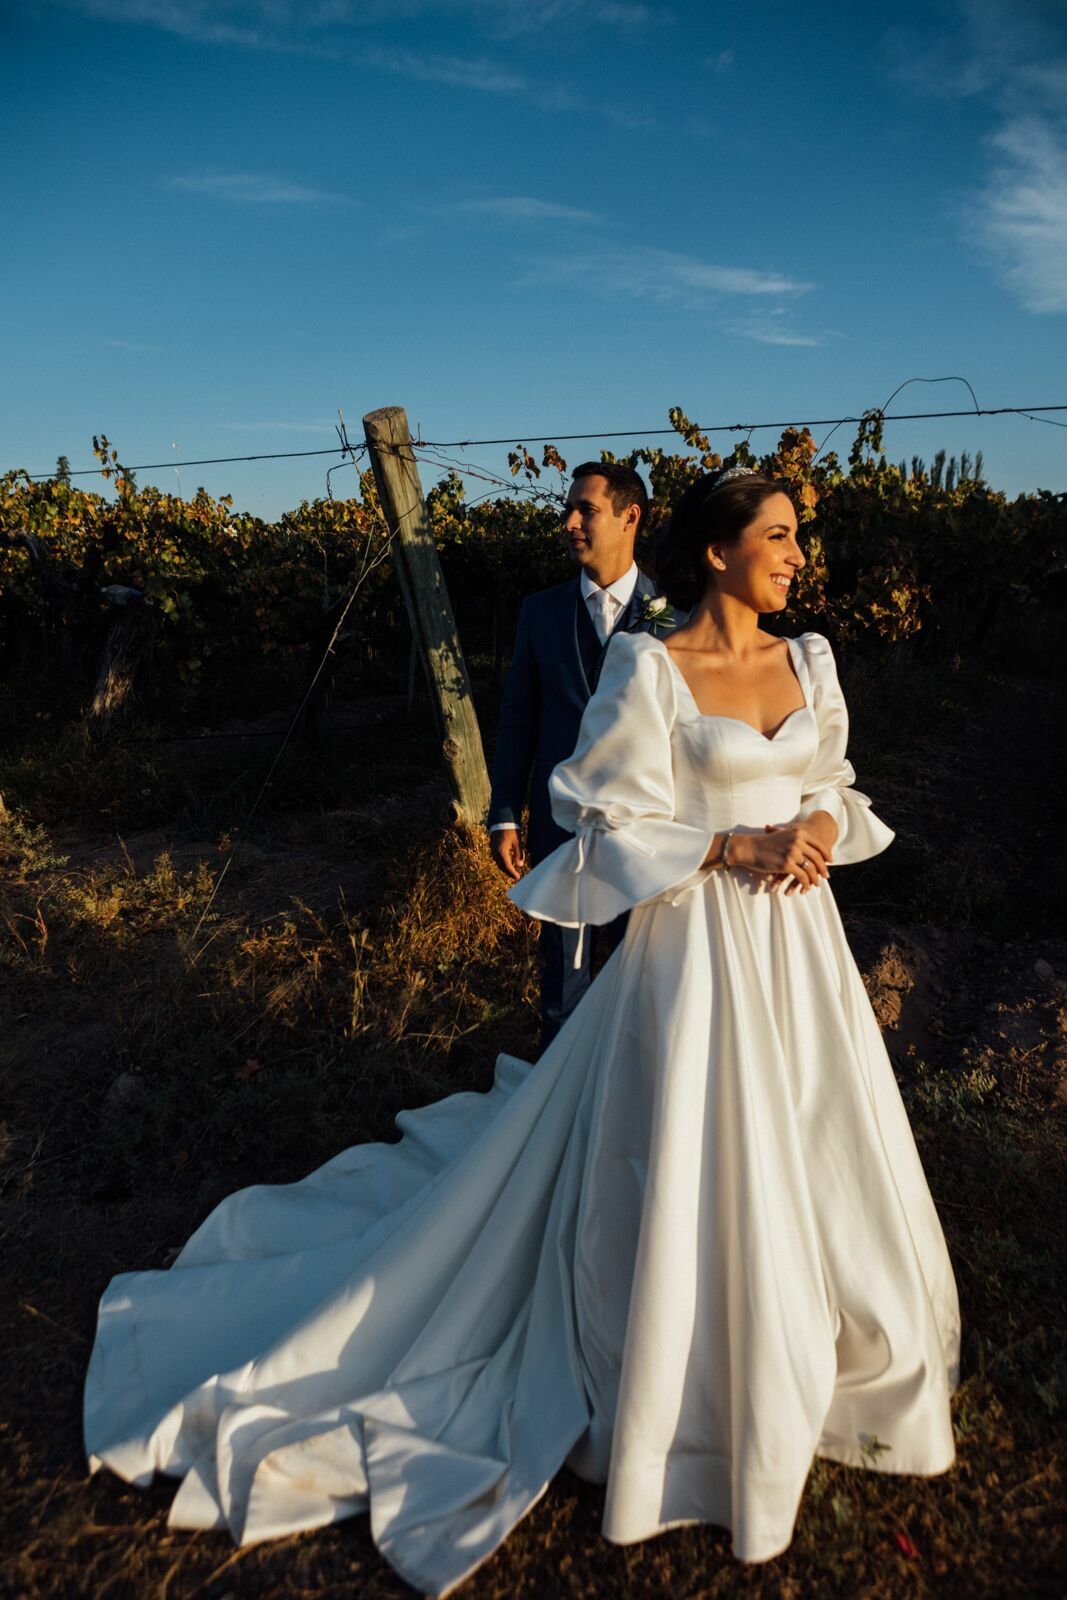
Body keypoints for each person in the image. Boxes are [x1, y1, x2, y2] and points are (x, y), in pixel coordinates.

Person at [83, 466, 959, 1599]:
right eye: (779, 535)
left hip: (800, 955)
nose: (797, 554)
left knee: (814, 1142)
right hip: (693, 959)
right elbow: (599, 821)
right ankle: (677, 1379)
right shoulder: (650, 668)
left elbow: (834, 779)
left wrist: (813, 822)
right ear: (714, 551)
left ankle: (813, 1343)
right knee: (690, 1149)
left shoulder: (810, 660)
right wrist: (726, 845)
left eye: (797, 537)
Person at [488, 459, 678, 1049]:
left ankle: (623, 1099)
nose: (569, 521)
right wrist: (503, 811)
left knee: (639, 972)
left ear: (630, 518)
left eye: (585, 510)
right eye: (568, 508)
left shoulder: (676, 619)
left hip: (645, 830)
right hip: (558, 826)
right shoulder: (539, 612)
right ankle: (559, 1108)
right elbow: (519, 717)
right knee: (561, 979)